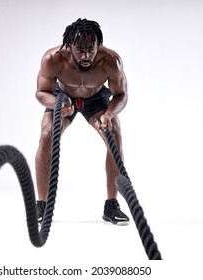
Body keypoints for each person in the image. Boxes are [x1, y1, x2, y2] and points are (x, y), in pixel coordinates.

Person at [35, 18, 129, 225]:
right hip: (63, 97)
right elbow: (41, 92)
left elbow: (122, 95)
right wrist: (57, 104)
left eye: (90, 49)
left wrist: (109, 114)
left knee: (114, 134)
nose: (86, 56)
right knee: (46, 135)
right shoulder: (53, 58)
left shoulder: (111, 60)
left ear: (98, 45)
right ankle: (41, 204)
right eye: (80, 50)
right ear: (70, 46)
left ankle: (111, 205)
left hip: (96, 101)